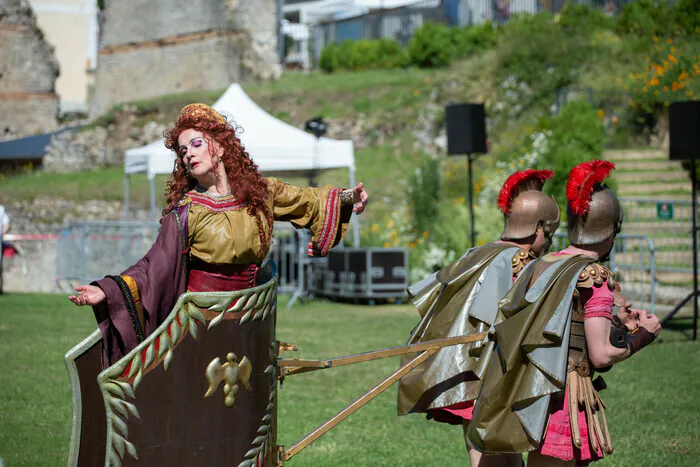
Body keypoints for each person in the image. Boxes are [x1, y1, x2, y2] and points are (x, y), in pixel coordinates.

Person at [69, 103, 368, 366]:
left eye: (196, 144)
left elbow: (306, 199)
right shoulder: (186, 212)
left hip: (253, 319)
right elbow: (153, 266)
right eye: (183, 151)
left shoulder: (260, 194)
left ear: (221, 147)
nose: (188, 155)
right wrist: (107, 290)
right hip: (202, 326)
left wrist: (348, 198)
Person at [467, 160, 661, 466]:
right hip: (564, 397)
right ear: (612, 228)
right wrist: (641, 336)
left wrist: (614, 324)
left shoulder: (543, 263)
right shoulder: (594, 277)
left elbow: (562, 325)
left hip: (526, 389)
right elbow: (599, 356)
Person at [397, 169, 560, 467]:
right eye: (548, 233)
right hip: (490, 378)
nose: (548, 241)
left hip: (467, 372)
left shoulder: (478, 253)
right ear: (538, 229)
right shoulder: (517, 263)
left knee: (498, 458)